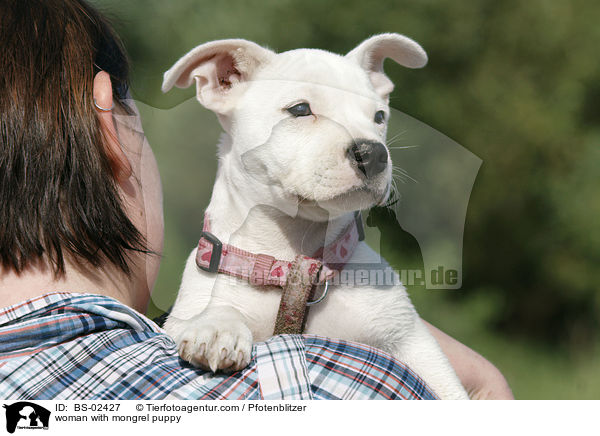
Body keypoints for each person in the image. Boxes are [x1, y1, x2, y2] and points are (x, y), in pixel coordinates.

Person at [0, 0, 512, 400]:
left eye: (375, 117)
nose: (366, 145)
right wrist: (487, 386)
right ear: (223, 83)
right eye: (301, 111)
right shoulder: (361, 389)